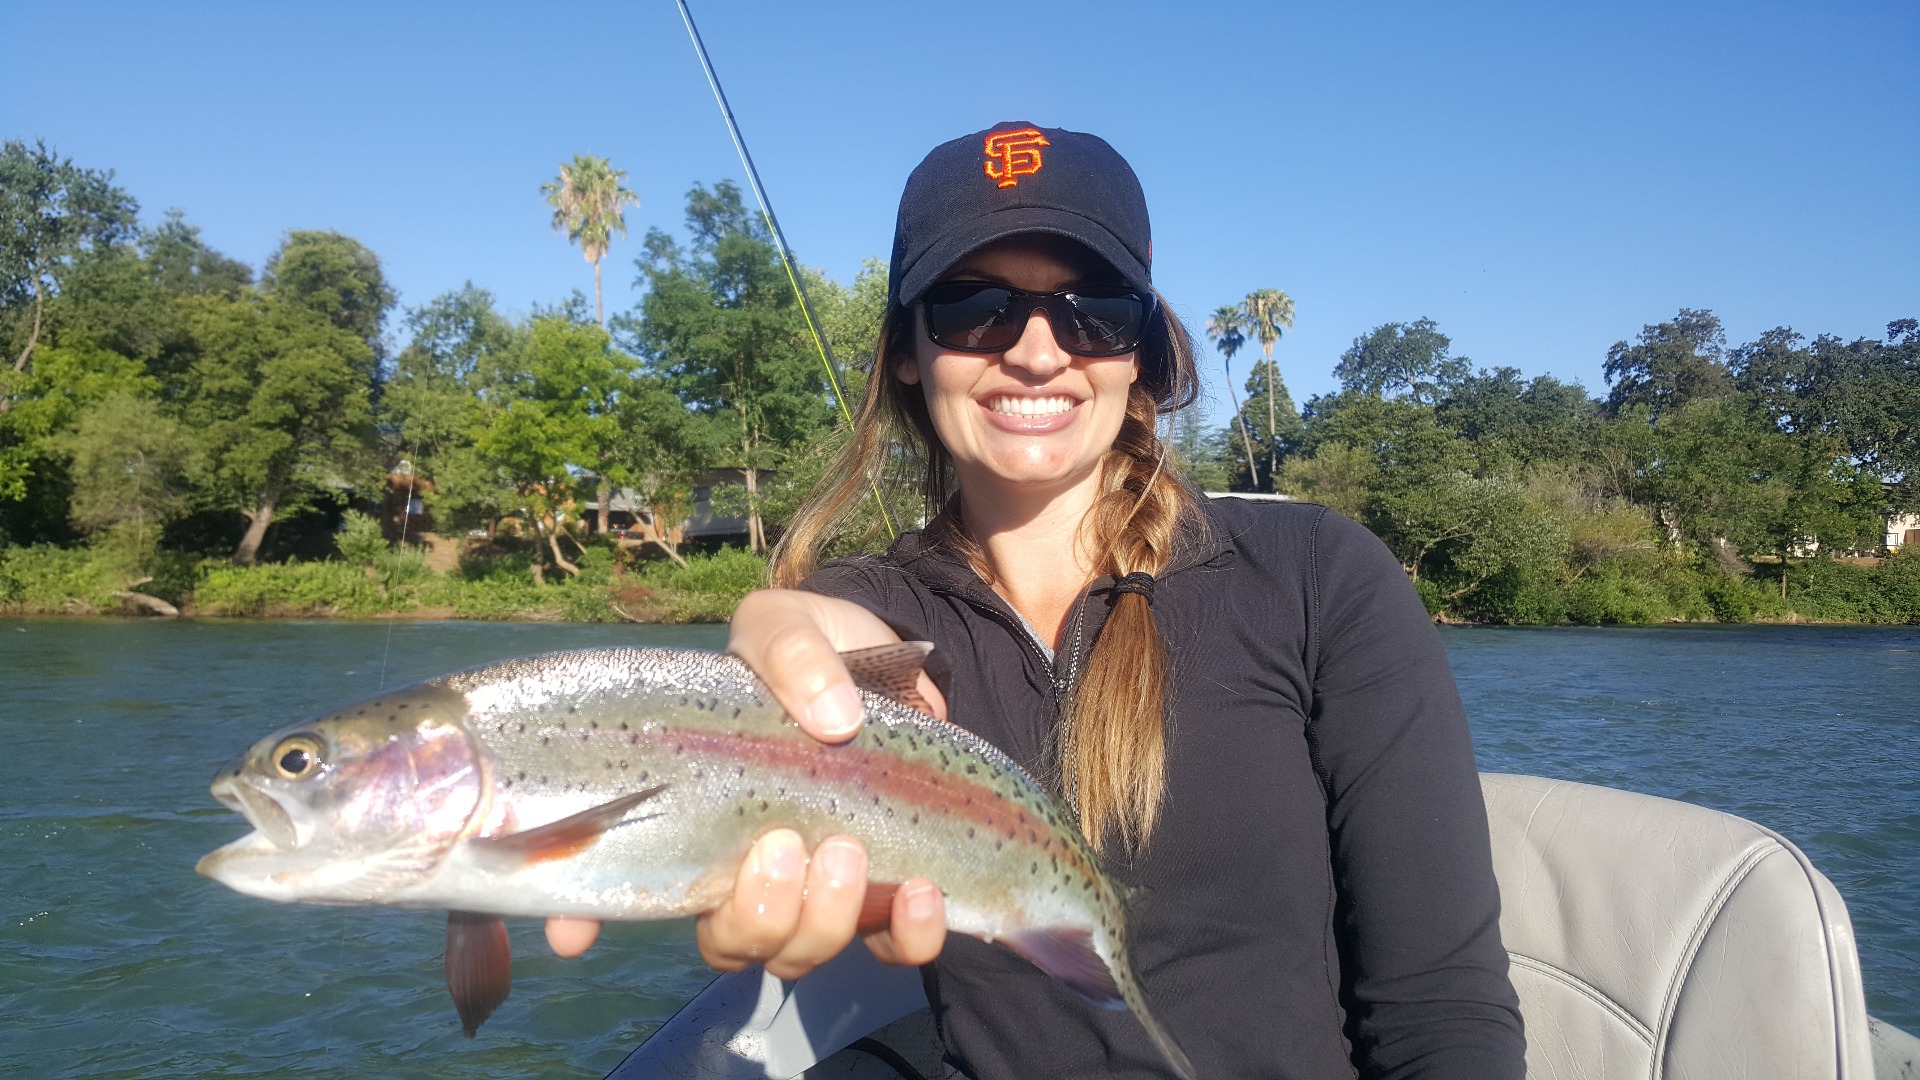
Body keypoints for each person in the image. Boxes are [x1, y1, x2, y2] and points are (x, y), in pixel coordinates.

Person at [549, 122, 1525, 1078]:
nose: (1038, 350)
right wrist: (786, 636)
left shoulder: (1319, 577)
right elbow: (828, 636)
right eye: (977, 307)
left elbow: (1441, 1004)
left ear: (1138, 347)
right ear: (907, 348)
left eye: (1092, 307)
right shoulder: (874, 607)